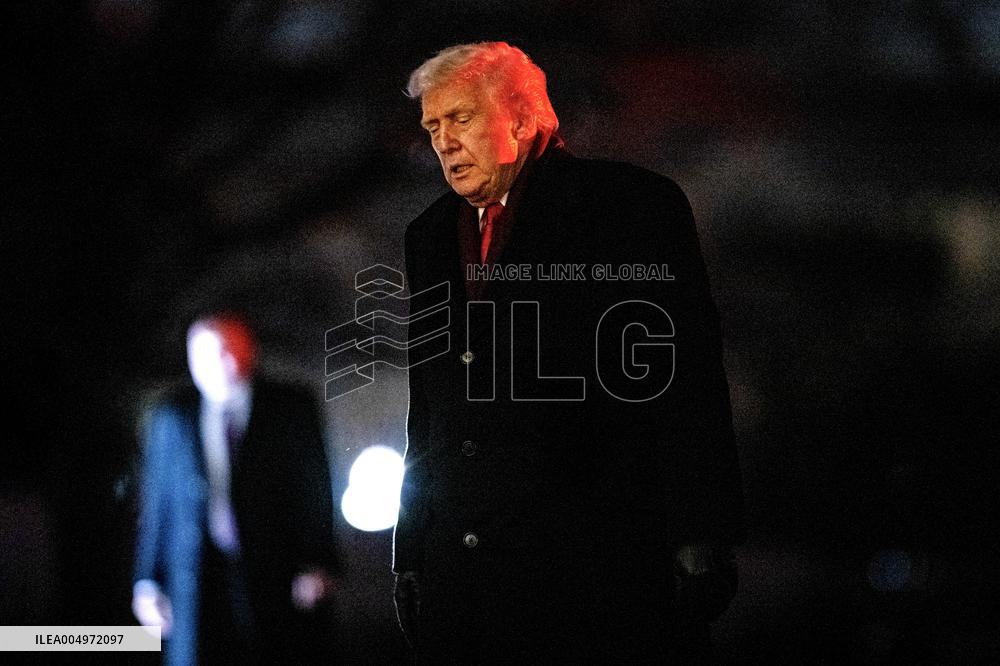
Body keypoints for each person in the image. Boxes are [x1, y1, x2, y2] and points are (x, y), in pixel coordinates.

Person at [393, 42, 745, 663]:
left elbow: (682, 377)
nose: (442, 141)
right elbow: (432, 406)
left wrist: (699, 533)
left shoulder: (629, 207)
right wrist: (413, 549)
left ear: (523, 119)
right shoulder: (428, 234)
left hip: (596, 567)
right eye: (432, 126)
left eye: (461, 119)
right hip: (465, 573)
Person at [133, 314, 337, 665]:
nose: (218, 364)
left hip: (276, 569)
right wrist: (147, 580)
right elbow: (158, 503)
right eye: (205, 355)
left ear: (249, 351)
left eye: (227, 350)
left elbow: (314, 489)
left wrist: (318, 560)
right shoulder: (172, 415)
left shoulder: (290, 408)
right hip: (195, 572)